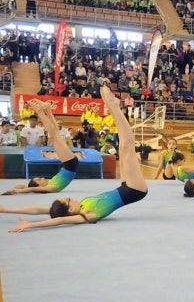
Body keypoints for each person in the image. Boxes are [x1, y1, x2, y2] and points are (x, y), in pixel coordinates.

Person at [3, 85, 148, 232]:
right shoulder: (87, 215)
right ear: (71, 209)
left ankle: (113, 108)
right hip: (134, 190)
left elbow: (41, 210)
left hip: (124, 187)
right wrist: (31, 225)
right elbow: (60, 220)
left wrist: (8, 210)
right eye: (68, 200)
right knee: (126, 147)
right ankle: (114, 108)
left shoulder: (81, 205)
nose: (71, 198)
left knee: (123, 149)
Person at [1, 99, 79, 195]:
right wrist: (17, 191)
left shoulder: (48, 184)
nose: (42, 177)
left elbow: (26, 187)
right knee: (54, 135)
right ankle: (41, 112)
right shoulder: (51, 187)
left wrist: (20, 188)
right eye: (39, 179)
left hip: (69, 164)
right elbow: (30, 189)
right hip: (70, 164)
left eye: (39, 178)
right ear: (39, 187)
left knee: (56, 134)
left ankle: (48, 109)